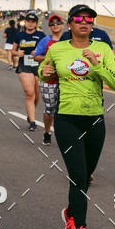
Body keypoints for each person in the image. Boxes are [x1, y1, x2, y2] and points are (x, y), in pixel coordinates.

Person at [39, 4, 115, 229]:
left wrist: (96, 64)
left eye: (89, 19)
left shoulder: (102, 49)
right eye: (78, 19)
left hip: (95, 119)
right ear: (70, 24)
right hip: (67, 119)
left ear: (92, 25)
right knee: (77, 175)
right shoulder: (58, 49)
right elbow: (44, 71)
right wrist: (43, 72)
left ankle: (70, 213)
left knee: (85, 176)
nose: (84, 23)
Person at [33, 12, 65, 144]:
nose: (55, 25)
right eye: (52, 23)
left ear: (63, 25)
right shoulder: (45, 41)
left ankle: (64, 135)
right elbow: (35, 56)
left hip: (66, 81)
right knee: (50, 108)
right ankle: (47, 132)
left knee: (64, 110)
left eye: (58, 23)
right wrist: (49, 59)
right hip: (49, 82)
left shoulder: (69, 40)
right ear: (50, 27)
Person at [11, 12, 45, 131]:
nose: (30, 23)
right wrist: (17, 53)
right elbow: (13, 51)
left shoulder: (41, 35)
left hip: (37, 65)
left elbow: (47, 50)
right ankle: (32, 121)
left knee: (36, 95)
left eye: (33, 22)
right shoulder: (19, 35)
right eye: (28, 21)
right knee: (29, 93)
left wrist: (38, 53)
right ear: (25, 23)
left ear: (36, 23)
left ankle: (31, 113)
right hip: (24, 65)